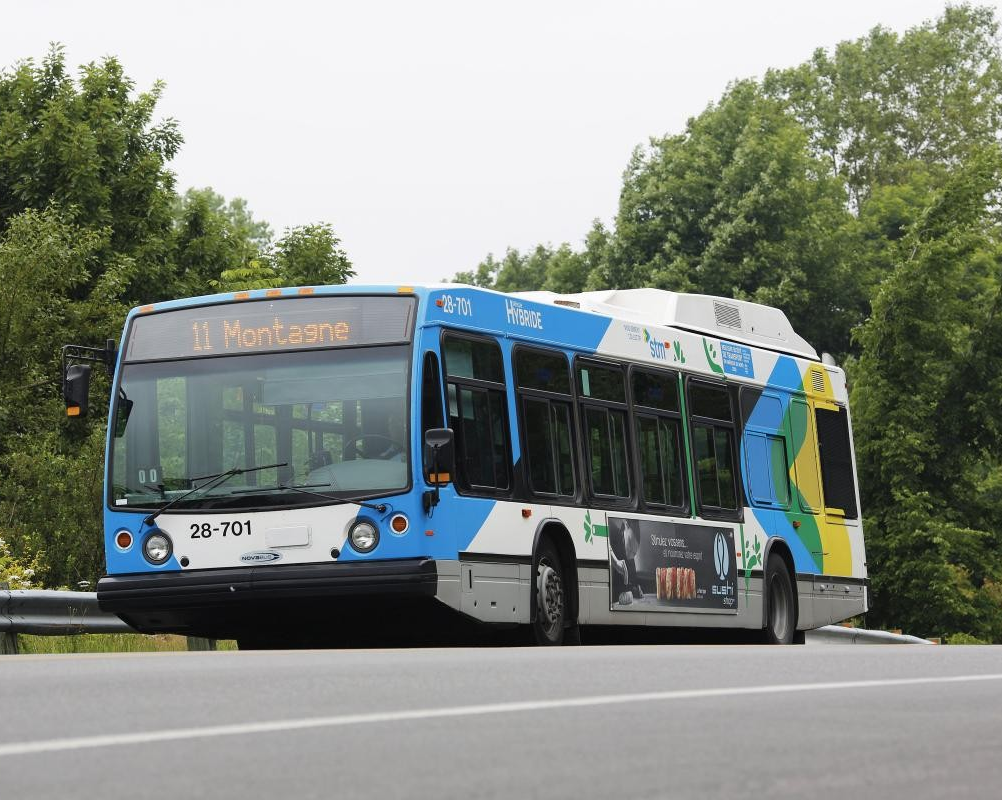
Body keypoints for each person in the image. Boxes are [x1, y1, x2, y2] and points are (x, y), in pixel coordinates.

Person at [609, 518, 643, 606]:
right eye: (632, 548)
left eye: (635, 552)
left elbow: (632, 583)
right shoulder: (611, 528)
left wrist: (635, 588)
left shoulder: (630, 557)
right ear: (626, 524)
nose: (633, 554)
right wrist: (615, 562)